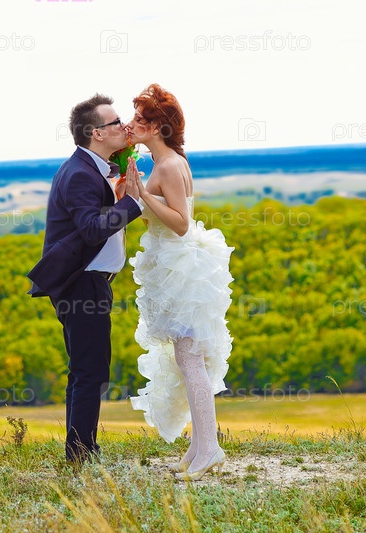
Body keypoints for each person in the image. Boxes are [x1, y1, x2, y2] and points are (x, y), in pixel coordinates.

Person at [125, 84, 234, 481]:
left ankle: (210, 449)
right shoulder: (165, 161)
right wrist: (135, 192)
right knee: (186, 359)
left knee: (190, 360)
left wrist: (142, 194)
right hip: (173, 266)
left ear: (157, 128)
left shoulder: (169, 165)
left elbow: (181, 223)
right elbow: (155, 216)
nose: (132, 123)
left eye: (140, 119)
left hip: (182, 270)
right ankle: (199, 445)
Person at [27, 93, 143, 464]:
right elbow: (92, 230)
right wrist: (132, 203)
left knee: (84, 370)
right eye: (116, 122)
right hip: (82, 285)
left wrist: (117, 197)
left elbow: (92, 221)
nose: (124, 126)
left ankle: (80, 449)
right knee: (90, 371)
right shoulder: (79, 173)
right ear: (96, 133)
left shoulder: (88, 168)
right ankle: (81, 454)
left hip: (88, 282)